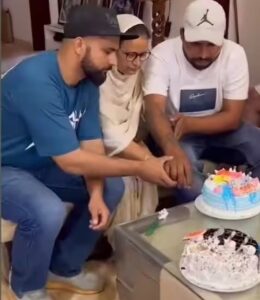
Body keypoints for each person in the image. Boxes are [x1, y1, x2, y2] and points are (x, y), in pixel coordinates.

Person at [1, 5, 176, 300]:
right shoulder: (37, 81)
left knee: (110, 187)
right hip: (7, 168)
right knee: (47, 209)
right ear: (79, 45)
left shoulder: (89, 81)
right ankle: (26, 287)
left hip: (44, 161)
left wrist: (95, 194)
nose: (113, 61)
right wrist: (141, 167)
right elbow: (70, 161)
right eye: (108, 51)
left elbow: (91, 146)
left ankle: (63, 268)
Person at [143, 0, 260, 203]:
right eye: (196, 44)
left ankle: (247, 206)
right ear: (182, 35)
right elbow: (154, 109)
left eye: (211, 45)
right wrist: (171, 148)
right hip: (176, 136)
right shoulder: (162, 54)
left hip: (223, 131)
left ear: (222, 39)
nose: (203, 54)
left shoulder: (234, 54)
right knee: (186, 180)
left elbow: (232, 118)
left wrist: (189, 123)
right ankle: (210, 225)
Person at [100, 14, 158, 245]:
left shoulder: (140, 75)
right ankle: (121, 247)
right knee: (124, 184)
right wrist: (148, 159)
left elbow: (143, 117)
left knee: (147, 180)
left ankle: (144, 244)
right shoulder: (98, 76)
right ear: (114, 49)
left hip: (131, 143)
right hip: (99, 149)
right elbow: (106, 133)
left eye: (143, 55)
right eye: (130, 54)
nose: (137, 62)